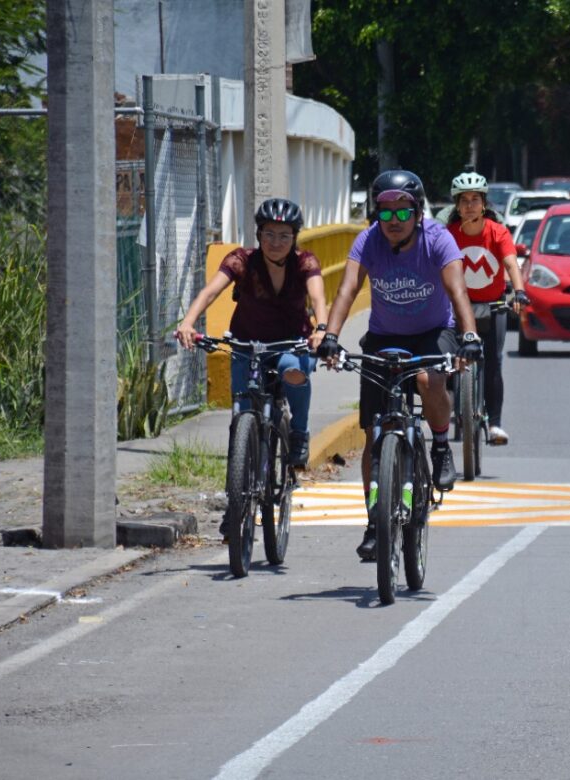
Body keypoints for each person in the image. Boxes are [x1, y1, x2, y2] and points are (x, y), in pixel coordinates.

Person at [316, 169, 482, 561]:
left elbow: (458, 290)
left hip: (432, 331)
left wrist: (470, 336)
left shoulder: (438, 239)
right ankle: (376, 520)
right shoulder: (368, 241)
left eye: (402, 212)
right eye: (384, 213)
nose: (392, 221)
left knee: (428, 378)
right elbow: (347, 289)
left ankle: (440, 445)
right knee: (375, 436)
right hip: (384, 337)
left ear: (418, 212)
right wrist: (331, 336)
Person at [176, 197, 327, 470]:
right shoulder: (242, 260)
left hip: (291, 344)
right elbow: (211, 291)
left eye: (284, 235)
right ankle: (240, 469)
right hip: (248, 343)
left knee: (293, 371)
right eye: (269, 234)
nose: (276, 242)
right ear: (258, 234)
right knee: (242, 405)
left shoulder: (304, 262)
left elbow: (318, 298)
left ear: (294, 237)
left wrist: (322, 330)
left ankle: (300, 433)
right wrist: (188, 322)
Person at [446, 169, 527, 445]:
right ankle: (449, 407)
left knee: (493, 362)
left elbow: (510, 263)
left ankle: (495, 424)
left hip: (493, 306)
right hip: (458, 307)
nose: (470, 205)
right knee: (446, 360)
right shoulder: (449, 234)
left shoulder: (498, 232)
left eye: (475, 199)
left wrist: (519, 291)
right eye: (464, 200)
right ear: (456, 205)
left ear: (484, 204)